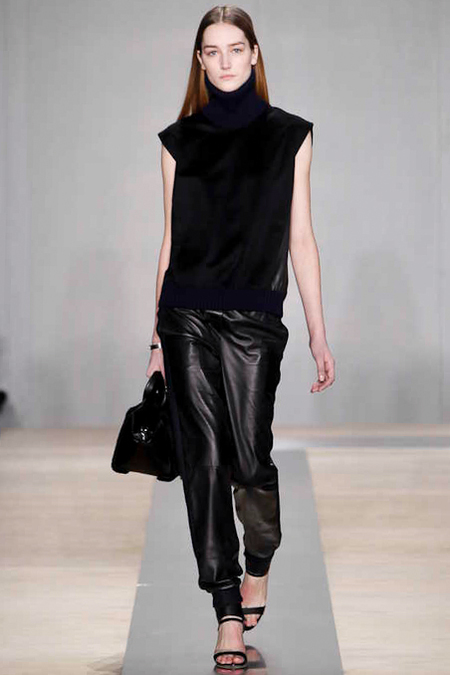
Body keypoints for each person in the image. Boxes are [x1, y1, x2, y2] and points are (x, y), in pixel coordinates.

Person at [147, 5, 335, 670]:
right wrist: (155, 342)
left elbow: (301, 238)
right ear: (200, 61)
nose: (224, 61)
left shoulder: (290, 136)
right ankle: (226, 607)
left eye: (235, 48)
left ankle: (259, 558)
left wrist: (317, 333)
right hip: (186, 315)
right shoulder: (178, 141)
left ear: (255, 54)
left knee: (251, 459)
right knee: (202, 464)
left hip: (255, 318)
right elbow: (170, 243)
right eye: (212, 50)